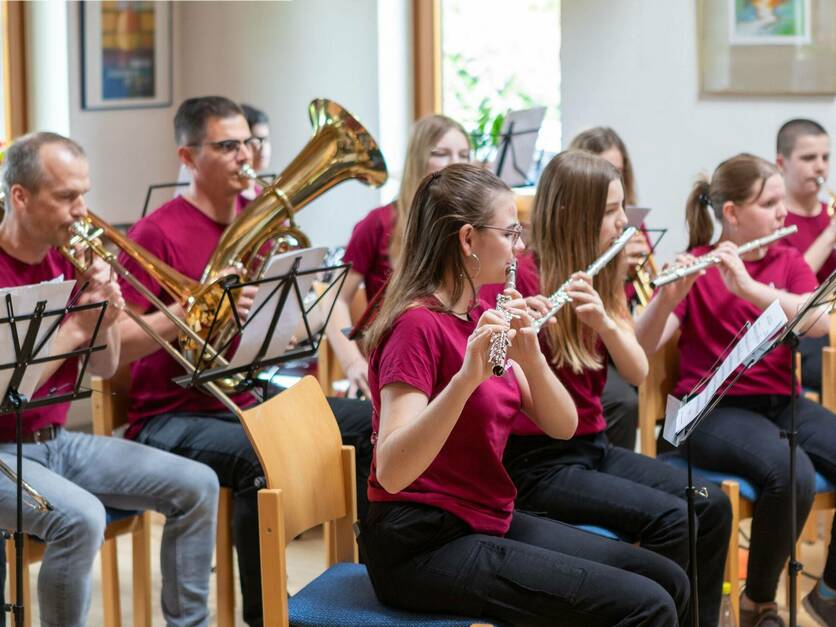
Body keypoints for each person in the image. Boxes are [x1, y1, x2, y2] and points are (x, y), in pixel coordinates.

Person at [358, 162, 689, 626]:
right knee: (646, 605)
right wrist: (465, 381)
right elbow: (392, 471)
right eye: (511, 233)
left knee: (668, 579)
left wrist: (531, 354)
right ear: (468, 239)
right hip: (422, 543)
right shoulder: (416, 327)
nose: (520, 248)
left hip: (481, 516)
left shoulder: (479, 312)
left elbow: (562, 425)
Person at [116, 96, 371, 626]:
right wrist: (193, 310)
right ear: (188, 158)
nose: (245, 156)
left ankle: (372, 581)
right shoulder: (155, 233)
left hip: (238, 394)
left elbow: (266, 334)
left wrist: (289, 300)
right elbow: (117, 340)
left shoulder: (255, 224)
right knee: (263, 455)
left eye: (248, 143)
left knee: (370, 423)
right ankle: (267, 617)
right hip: (169, 414)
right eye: (227, 146)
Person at [487, 150, 730, 626]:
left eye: (623, 208)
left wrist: (605, 318)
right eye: (611, 212)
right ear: (570, 214)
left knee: (712, 504)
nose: (625, 223)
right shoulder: (523, 281)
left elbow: (637, 372)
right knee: (674, 519)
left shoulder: (601, 272)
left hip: (591, 448)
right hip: (537, 463)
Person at [0, 131, 219, 627]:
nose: (83, 210)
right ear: (20, 196)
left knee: (198, 484)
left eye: (84, 193)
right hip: (2, 450)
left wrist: (104, 315)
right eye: (67, 196)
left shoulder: (66, 260)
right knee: (81, 518)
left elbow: (103, 368)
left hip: (58, 443)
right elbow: (4, 392)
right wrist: (75, 327)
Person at [636, 153, 836, 627]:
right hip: (711, 410)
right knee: (793, 473)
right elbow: (643, 352)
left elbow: (818, 320)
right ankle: (759, 602)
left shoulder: (786, 261)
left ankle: (826, 592)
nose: (782, 213)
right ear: (731, 213)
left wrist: (749, 288)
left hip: (777, 403)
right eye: (769, 204)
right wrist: (668, 295)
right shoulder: (698, 265)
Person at [325, 114, 471, 399]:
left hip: (457, 363)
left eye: (464, 154)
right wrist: (352, 362)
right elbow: (333, 298)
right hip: (402, 366)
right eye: (441, 154)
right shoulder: (378, 224)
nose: (456, 163)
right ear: (418, 160)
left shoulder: (474, 229)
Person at [568, 127, 645, 449]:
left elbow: (638, 363)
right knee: (622, 401)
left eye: (617, 173)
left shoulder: (626, 229)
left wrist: (630, 273)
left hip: (616, 335)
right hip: (584, 344)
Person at [775, 118, 833, 394]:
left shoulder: (828, 212)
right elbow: (788, 285)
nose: (820, 166)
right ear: (781, 163)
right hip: (803, 328)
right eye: (809, 158)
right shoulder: (774, 221)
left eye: (825, 157)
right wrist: (830, 236)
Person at [240, 104, 271, 200]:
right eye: (257, 139)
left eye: (266, 140)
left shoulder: (261, 193)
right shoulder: (231, 198)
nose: (263, 147)